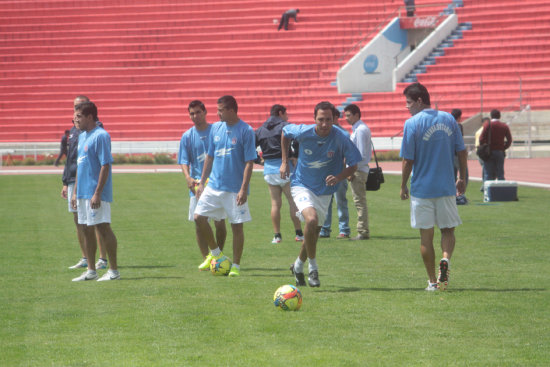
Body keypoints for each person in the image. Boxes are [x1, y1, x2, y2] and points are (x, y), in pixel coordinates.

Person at [281, 101, 362, 288]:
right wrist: (284, 161)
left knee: (313, 233)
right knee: (311, 221)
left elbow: (354, 165)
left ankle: (298, 266)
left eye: (328, 120)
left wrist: (339, 177)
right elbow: (285, 133)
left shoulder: (341, 137)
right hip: (302, 184)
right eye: (320, 120)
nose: (325, 124)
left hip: (325, 191)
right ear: (314, 119)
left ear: (334, 119)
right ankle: (314, 269)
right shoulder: (303, 131)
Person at [400, 83, 467, 291]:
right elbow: (462, 151)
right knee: (448, 230)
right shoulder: (449, 119)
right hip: (446, 187)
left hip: (422, 190)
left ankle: (431, 281)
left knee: (425, 236)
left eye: (409, 103)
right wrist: (462, 177)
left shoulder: (412, 123)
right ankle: (445, 259)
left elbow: (407, 160)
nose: (407, 107)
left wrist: (403, 184)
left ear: (419, 101)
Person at [194, 95, 257, 277]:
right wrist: (201, 183)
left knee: (237, 226)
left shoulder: (246, 131)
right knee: (199, 217)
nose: (217, 113)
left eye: (220, 110)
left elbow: (249, 162)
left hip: (234, 189)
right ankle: (216, 254)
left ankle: (236, 265)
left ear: (231, 110)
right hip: (214, 185)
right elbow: (210, 156)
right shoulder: (216, 129)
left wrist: (243, 188)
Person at [70, 101, 120, 282]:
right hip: (82, 193)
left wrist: (97, 192)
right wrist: (75, 192)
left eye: (79, 116)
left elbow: (105, 165)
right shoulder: (82, 136)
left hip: (95, 193)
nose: (76, 120)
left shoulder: (101, 136)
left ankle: (113, 271)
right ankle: (91, 270)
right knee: (85, 229)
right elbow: (80, 166)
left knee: (103, 227)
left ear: (90, 117)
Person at [178, 100, 227, 270]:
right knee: (199, 222)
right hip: (197, 186)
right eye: (192, 113)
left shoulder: (217, 131)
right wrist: (187, 177)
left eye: (198, 112)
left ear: (205, 112)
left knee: (219, 222)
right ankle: (207, 257)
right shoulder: (187, 136)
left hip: (217, 184)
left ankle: (218, 255)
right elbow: (183, 161)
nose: (195, 116)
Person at [63, 95, 108, 271]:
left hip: (90, 183)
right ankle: (85, 258)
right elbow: (71, 160)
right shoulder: (75, 131)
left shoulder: (96, 131)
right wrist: (66, 182)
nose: (76, 112)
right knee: (79, 220)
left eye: (79, 108)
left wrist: (97, 190)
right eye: (74, 107)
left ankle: (103, 259)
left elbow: (103, 162)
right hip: (75, 180)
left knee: (97, 222)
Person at [255, 104, 304, 244]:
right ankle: (299, 233)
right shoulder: (285, 126)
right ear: (281, 112)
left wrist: (260, 160)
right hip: (286, 167)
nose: (287, 116)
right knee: (292, 202)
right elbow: (298, 140)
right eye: (286, 113)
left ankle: (277, 236)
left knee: (275, 204)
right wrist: (295, 155)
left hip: (269, 169)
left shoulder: (260, 129)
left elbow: (249, 149)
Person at [319, 107, 351, 239]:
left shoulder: (343, 134)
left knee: (340, 201)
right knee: (326, 201)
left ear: (336, 118)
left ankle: (343, 229)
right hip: (326, 173)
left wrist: (345, 171)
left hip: (339, 173)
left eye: (330, 118)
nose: (327, 122)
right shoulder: (323, 133)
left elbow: (347, 155)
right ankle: (325, 229)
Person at [343, 104, 372, 240]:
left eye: (348, 115)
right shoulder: (359, 129)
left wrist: (351, 170)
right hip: (359, 169)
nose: (346, 118)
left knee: (359, 201)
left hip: (358, 170)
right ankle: (362, 230)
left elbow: (359, 154)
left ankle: (363, 231)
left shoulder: (360, 130)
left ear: (356, 115)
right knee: (359, 200)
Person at [479, 109, 513, 181]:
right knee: (500, 174)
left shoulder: (488, 125)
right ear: (499, 116)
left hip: (489, 152)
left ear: (491, 116)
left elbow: (481, 139)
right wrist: (503, 147)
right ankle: (501, 190)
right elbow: (509, 140)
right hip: (500, 152)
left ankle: (488, 191)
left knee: (488, 174)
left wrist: (485, 146)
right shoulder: (504, 126)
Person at [451, 108, 469, 204]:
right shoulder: (458, 126)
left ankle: (452, 195)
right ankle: (461, 195)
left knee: (452, 175)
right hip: (458, 155)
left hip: (450, 155)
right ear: (459, 117)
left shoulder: (447, 125)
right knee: (464, 175)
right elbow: (460, 141)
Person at [475, 117, 490, 190]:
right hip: (483, 152)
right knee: (486, 169)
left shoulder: (482, 131)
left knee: (485, 169)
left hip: (481, 151)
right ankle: (484, 185)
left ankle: (485, 185)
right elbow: (479, 144)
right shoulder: (481, 131)